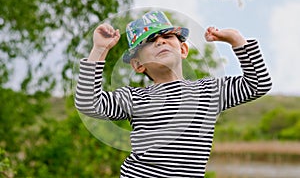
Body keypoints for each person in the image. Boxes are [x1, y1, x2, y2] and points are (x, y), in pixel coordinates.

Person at [75, 10, 272, 178]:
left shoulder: (210, 92)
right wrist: (99, 50)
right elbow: (88, 103)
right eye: (149, 41)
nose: (160, 42)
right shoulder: (134, 98)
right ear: (138, 64)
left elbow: (258, 83)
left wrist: (236, 40)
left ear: (183, 49)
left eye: (167, 36)